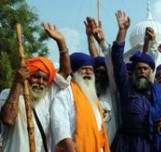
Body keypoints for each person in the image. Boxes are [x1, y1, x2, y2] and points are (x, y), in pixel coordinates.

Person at [0, 22, 71, 152]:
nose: (40, 82)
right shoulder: (7, 94)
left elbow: (65, 72)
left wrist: (61, 41)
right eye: (36, 77)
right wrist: (17, 82)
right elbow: (8, 119)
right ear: (27, 76)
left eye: (45, 79)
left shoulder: (46, 95)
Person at [111, 10, 161, 152]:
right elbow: (117, 59)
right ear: (133, 72)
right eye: (138, 69)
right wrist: (122, 31)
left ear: (151, 72)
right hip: (129, 144)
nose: (142, 71)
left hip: (153, 143)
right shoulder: (127, 87)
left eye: (145, 69)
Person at [51, 52, 110, 152]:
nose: (88, 72)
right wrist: (66, 139)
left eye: (91, 69)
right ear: (74, 72)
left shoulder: (92, 96)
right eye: (84, 69)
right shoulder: (66, 93)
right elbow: (59, 118)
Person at [84, 17, 119, 146]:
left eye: (102, 73)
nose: (99, 75)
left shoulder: (112, 91)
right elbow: (95, 59)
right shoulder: (88, 91)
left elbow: (107, 62)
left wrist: (101, 41)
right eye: (96, 72)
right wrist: (89, 37)